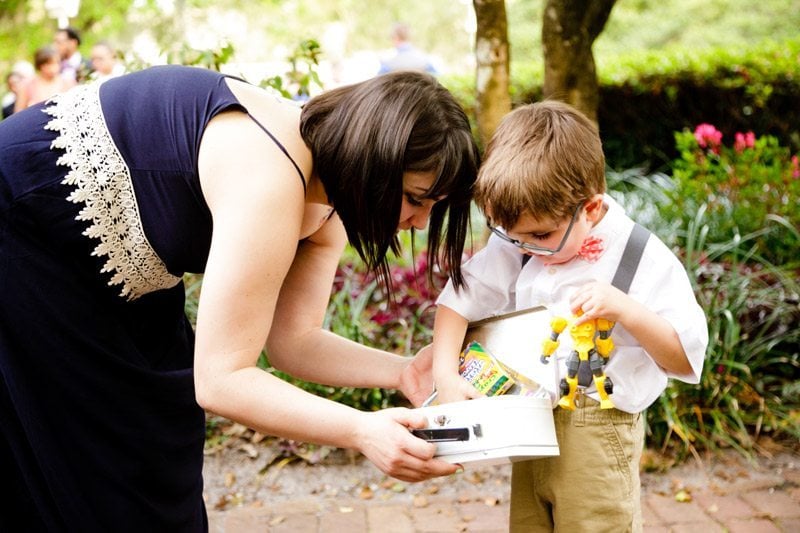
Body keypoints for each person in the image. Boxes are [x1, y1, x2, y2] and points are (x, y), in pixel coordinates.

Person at [0, 65, 479, 530]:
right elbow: (221, 381)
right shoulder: (270, 173)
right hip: (27, 236)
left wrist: (400, 371)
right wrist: (361, 430)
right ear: (372, 158)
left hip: (124, 278)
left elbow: (294, 341)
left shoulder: (327, 204)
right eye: (415, 198)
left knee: (158, 448)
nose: (418, 222)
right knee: (83, 467)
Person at [430, 101, 708, 531]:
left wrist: (625, 310)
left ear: (591, 209)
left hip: (599, 432)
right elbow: (457, 301)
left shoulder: (643, 257)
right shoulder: (520, 240)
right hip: (531, 423)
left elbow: (682, 359)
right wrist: (445, 375)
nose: (527, 249)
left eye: (541, 236)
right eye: (514, 237)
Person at [13, 45, 75, 112]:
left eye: (57, 63)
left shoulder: (68, 83)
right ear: (40, 65)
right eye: (49, 64)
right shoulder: (27, 84)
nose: (53, 68)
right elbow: (19, 111)